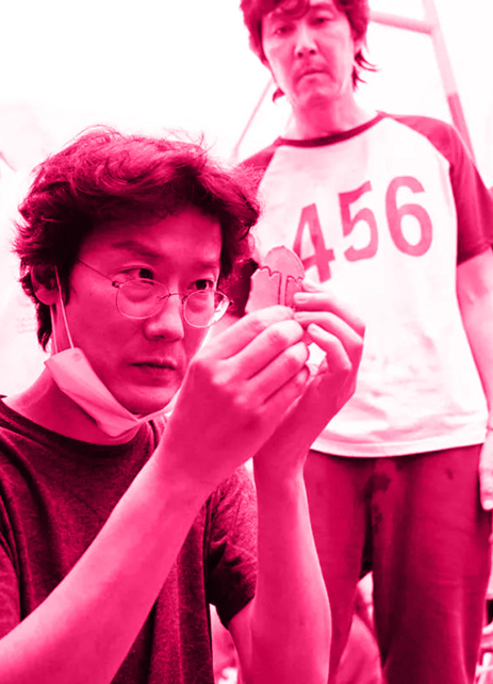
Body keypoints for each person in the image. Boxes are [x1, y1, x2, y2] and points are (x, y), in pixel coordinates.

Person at [0, 127, 365, 684]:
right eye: (139, 277)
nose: (171, 325)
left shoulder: (207, 465)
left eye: (199, 286)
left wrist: (282, 463)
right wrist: (179, 472)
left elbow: (293, 676)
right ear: (49, 277)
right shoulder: (183, 460)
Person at [237, 1, 493, 682]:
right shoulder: (247, 188)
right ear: (264, 51)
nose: (303, 43)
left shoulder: (433, 145)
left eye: (321, 19)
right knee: (294, 665)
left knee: (437, 667)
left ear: (355, 33)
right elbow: (237, 329)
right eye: (281, 27)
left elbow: (479, 294)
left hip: (442, 435)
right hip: (307, 446)